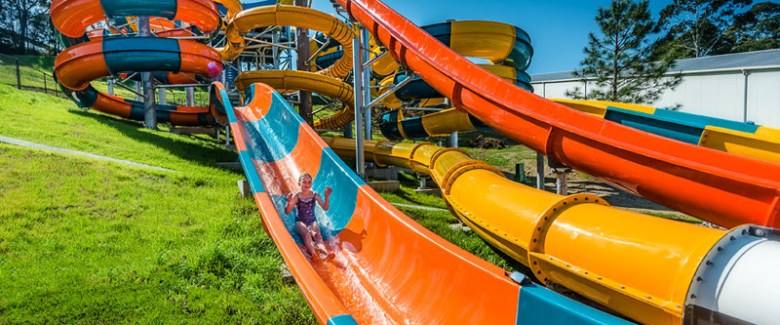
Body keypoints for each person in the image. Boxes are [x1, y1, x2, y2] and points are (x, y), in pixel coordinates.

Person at [285, 173, 333, 260]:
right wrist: (288, 202)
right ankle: (313, 253)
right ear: (299, 183)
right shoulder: (297, 196)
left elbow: (325, 208)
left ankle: (325, 253)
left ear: (311, 184)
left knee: (317, 235)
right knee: (307, 234)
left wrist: (326, 197)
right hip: (300, 221)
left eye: (309, 182)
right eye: (304, 182)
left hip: (312, 220)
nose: (307, 184)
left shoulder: (315, 195)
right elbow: (287, 212)